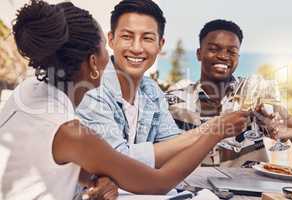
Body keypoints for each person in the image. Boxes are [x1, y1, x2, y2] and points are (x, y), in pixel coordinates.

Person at [0, 1, 249, 199]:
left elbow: (50, 160)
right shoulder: (70, 131)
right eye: (104, 51)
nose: (111, 58)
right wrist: (215, 131)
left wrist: (97, 178)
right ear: (93, 64)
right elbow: (158, 183)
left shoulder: (29, 91)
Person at [76, 0, 248, 169]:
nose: (136, 48)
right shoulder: (92, 89)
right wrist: (212, 129)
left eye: (147, 38)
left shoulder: (151, 91)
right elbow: (116, 161)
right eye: (127, 37)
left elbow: (174, 145)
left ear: (160, 45)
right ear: (111, 40)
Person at [166, 19, 270, 167]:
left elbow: (282, 130)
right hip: (191, 189)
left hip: (246, 189)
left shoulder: (256, 99)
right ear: (199, 54)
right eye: (214, 49)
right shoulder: (172, 103)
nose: (223, 56)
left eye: (231, 51)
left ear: (238, 58)